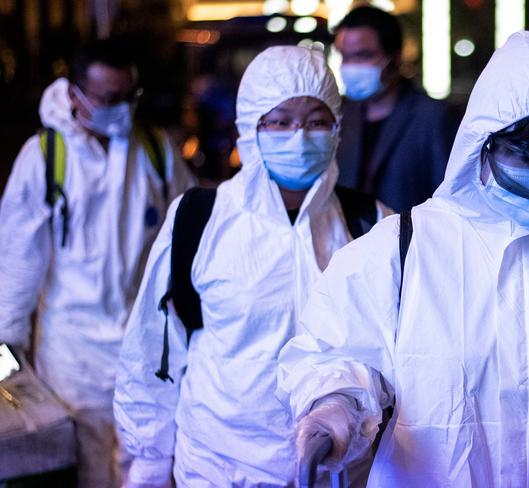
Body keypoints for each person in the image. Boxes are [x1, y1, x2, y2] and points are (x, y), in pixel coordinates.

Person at [278, 31, 529, 486]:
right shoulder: (402, 248)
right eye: (528, 165)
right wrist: (333, 403)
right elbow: (331, 355)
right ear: (482, 144)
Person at [114, 45, 390, 487]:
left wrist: (350, 411)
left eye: (316, 121)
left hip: (335, 472)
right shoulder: (201, 220)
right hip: (218, 466)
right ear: (250, 127)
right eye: (280, 121)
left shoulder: (372, 226)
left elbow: (394, 358)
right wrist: (147, 465)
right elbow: (154, 351)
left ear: (337, 127)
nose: (299, 137)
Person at [0, 39, 194, 488]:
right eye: (109, 99)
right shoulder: (45, 158)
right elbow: (17, 258)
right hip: (71, 352)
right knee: (89, 468)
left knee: (147, 463)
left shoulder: (156, 152)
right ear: (74, 95)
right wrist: (7, 344)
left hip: (143, 343)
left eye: (130, 96)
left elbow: (185, 238)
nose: (121, 108)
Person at [334, 5, 458, 212]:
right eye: (345, 56)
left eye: (363, 56)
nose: (350, 66)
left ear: (395, 57)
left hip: (409, 240)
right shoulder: (341, 115)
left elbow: (448, 200)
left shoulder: (433, 118)